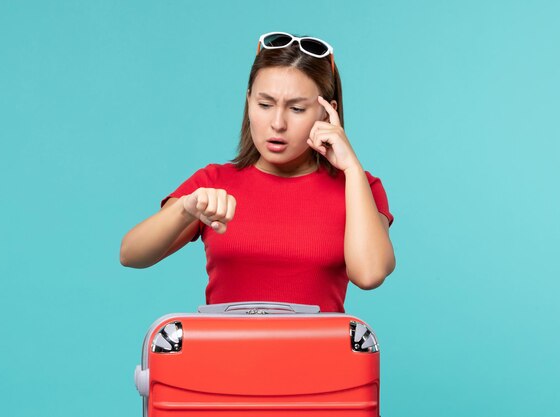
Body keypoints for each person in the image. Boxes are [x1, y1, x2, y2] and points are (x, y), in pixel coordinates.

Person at [120, 32, 395, 313]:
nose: (277, 123)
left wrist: (351, 168)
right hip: (225, 355)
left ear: (327, 113)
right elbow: (131, 255)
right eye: (264, 105)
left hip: (319, 356)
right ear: (248, 101)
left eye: (297, 109)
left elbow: (369, 274)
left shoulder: (360, 187)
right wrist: (185, 210)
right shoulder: (214, 183)